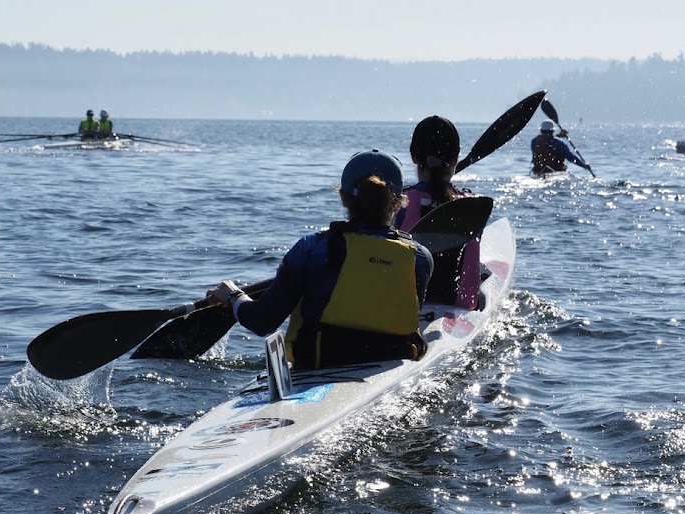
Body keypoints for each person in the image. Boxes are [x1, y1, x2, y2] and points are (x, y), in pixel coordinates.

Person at [206, 149, 434, 370]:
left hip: (318, 366)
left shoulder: (312, 248)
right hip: (390, 373)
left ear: (344, 197)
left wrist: (233, 296)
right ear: (399, 201)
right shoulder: (420, 258)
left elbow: (262, 321)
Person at [394, 115, 483, 310]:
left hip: (404, 309)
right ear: (455, 159)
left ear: (414, 157)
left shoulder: (399, 203)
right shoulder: (471, 206)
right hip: (459, 309)